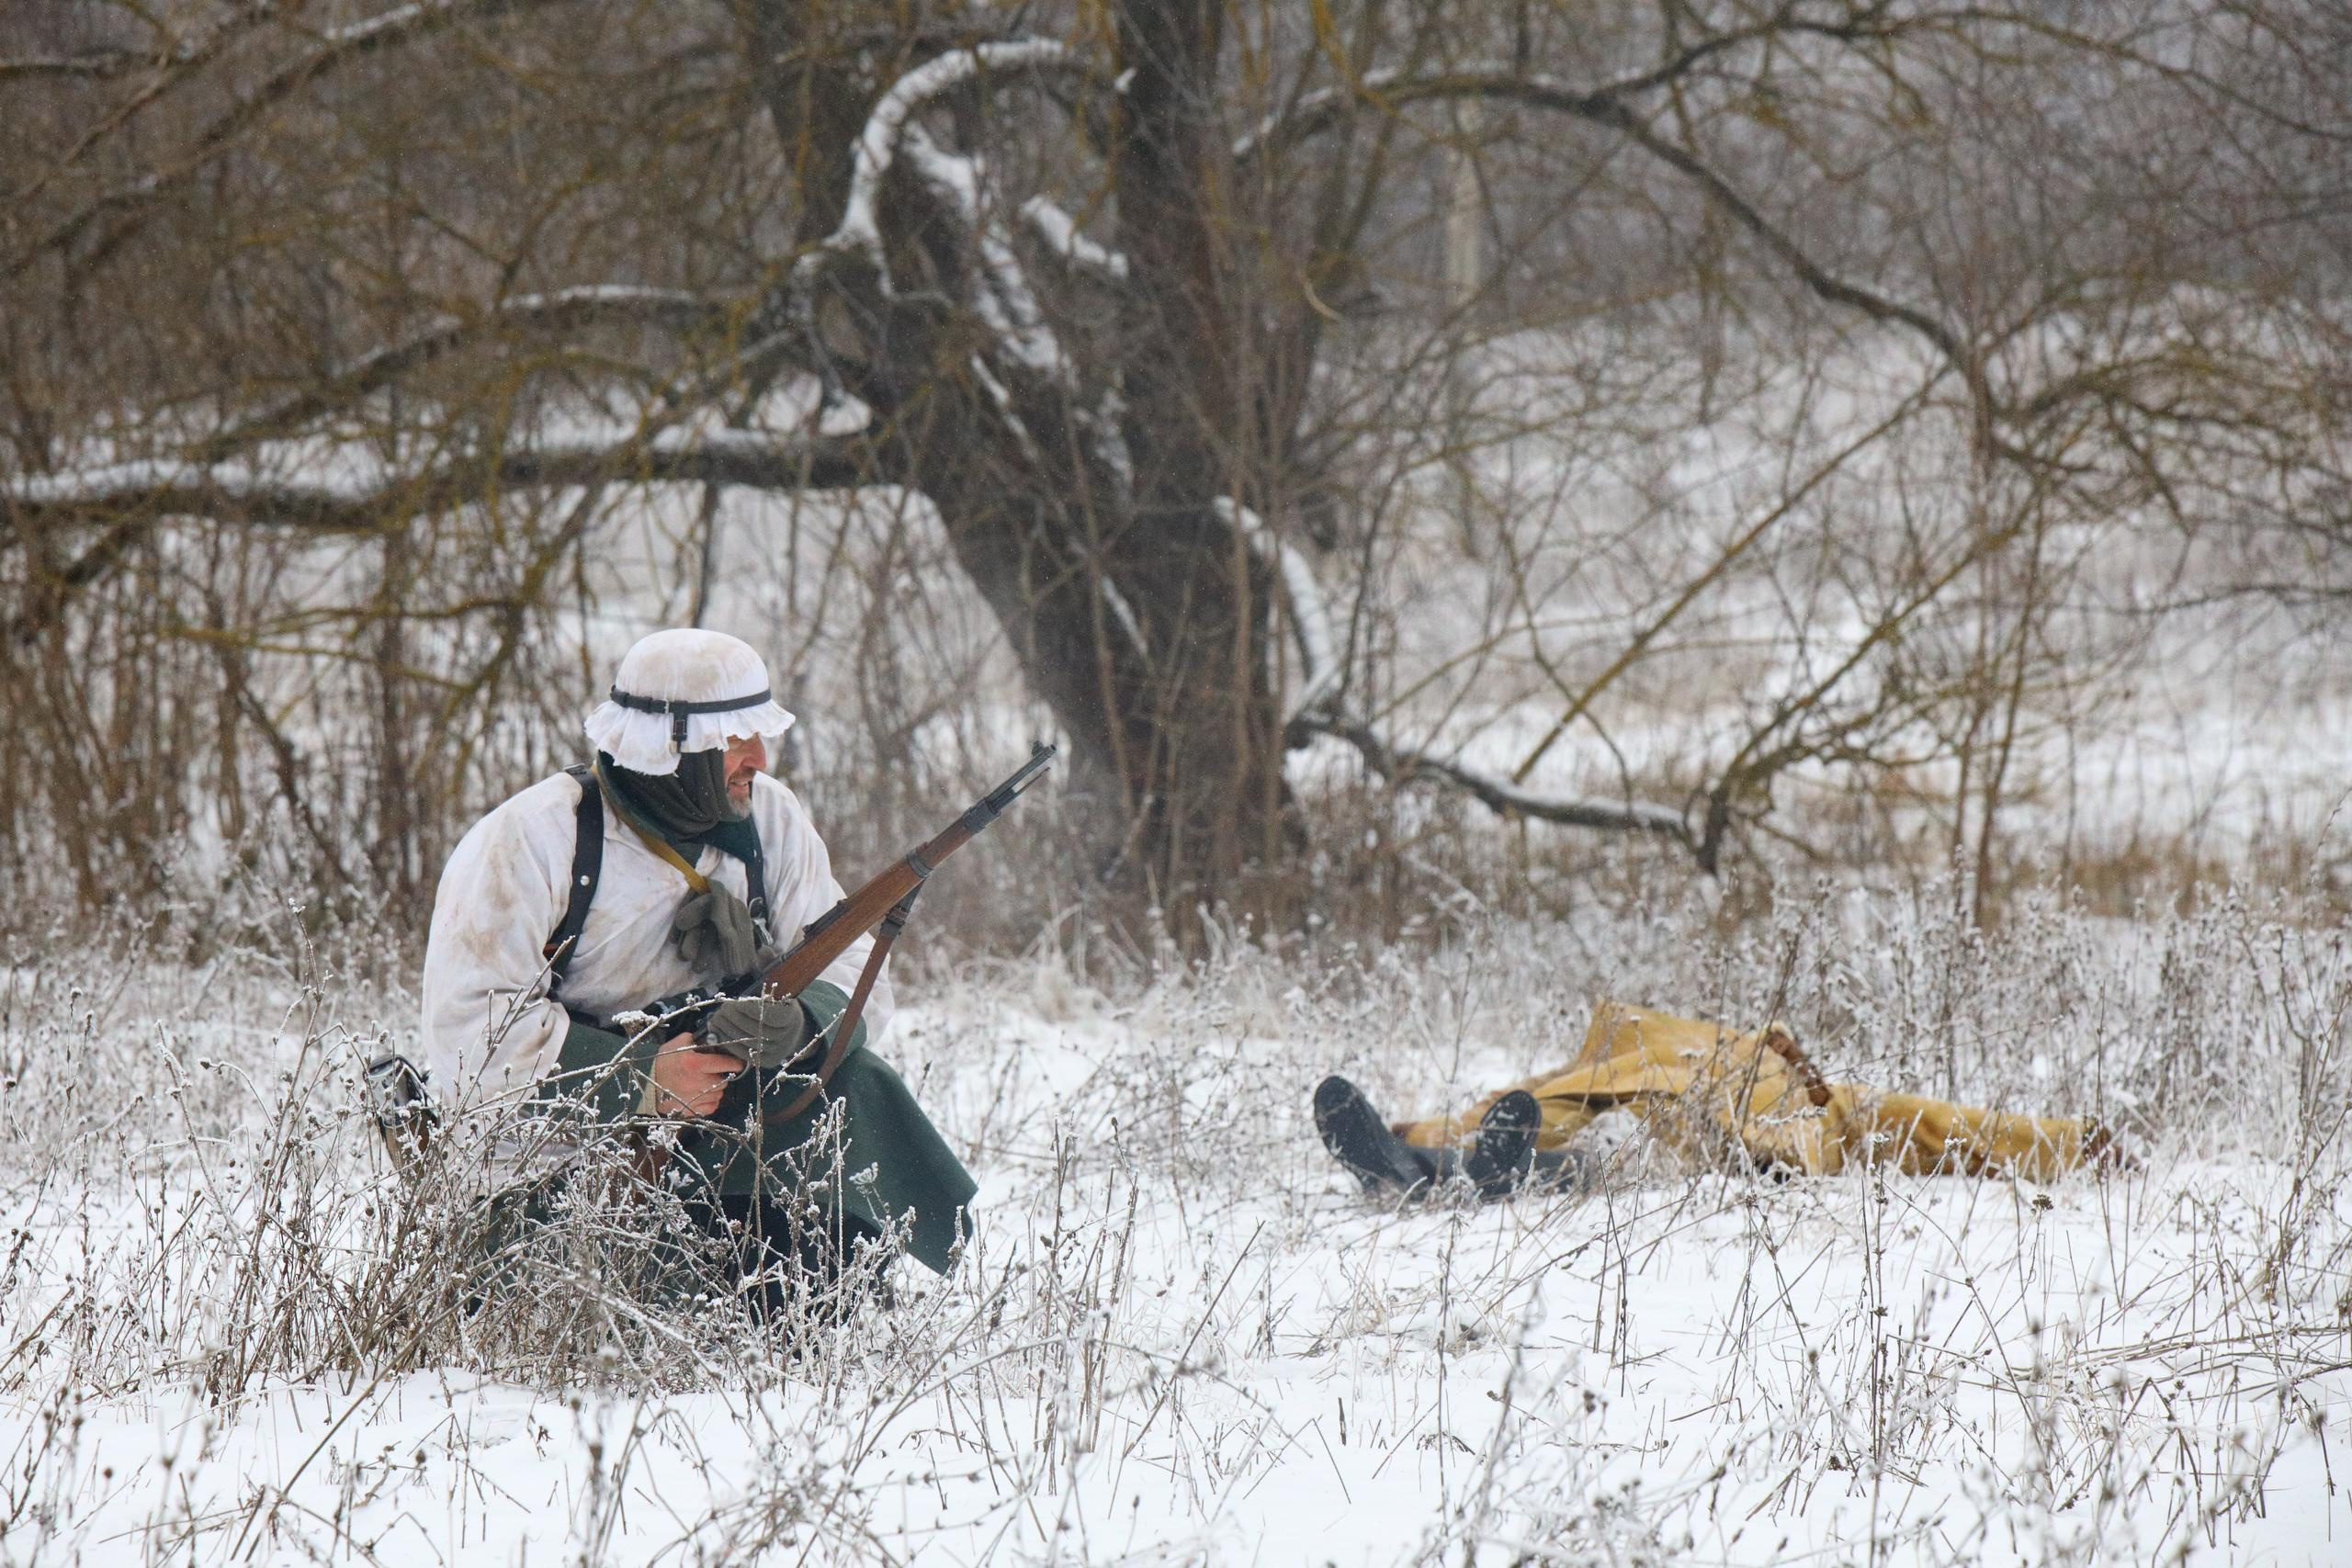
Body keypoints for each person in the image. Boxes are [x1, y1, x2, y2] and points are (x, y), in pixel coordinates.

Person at [414, 627, 976, 1314]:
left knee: (852, 1084)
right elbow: (470, 1032)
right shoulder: (530, 839)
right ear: (674, 749)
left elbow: (853, 956)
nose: (759, 759)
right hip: (555, 1155)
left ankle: (817, 1298)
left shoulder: (770, 818)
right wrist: (643, 1078)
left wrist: (801, 1021)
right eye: (737, 741)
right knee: (602, 1305)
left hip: (722, 1129)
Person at [1316, 999, 2130, 1200]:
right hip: (1722, 1095)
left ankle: (1450, 1155)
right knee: (1591, 1078)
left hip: (1767, 1135)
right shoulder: (1800, 1079)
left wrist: (2071, 1141)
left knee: (1615, 1068)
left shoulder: (1848, 1108)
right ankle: (1430, 1155)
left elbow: (1965, 1127)